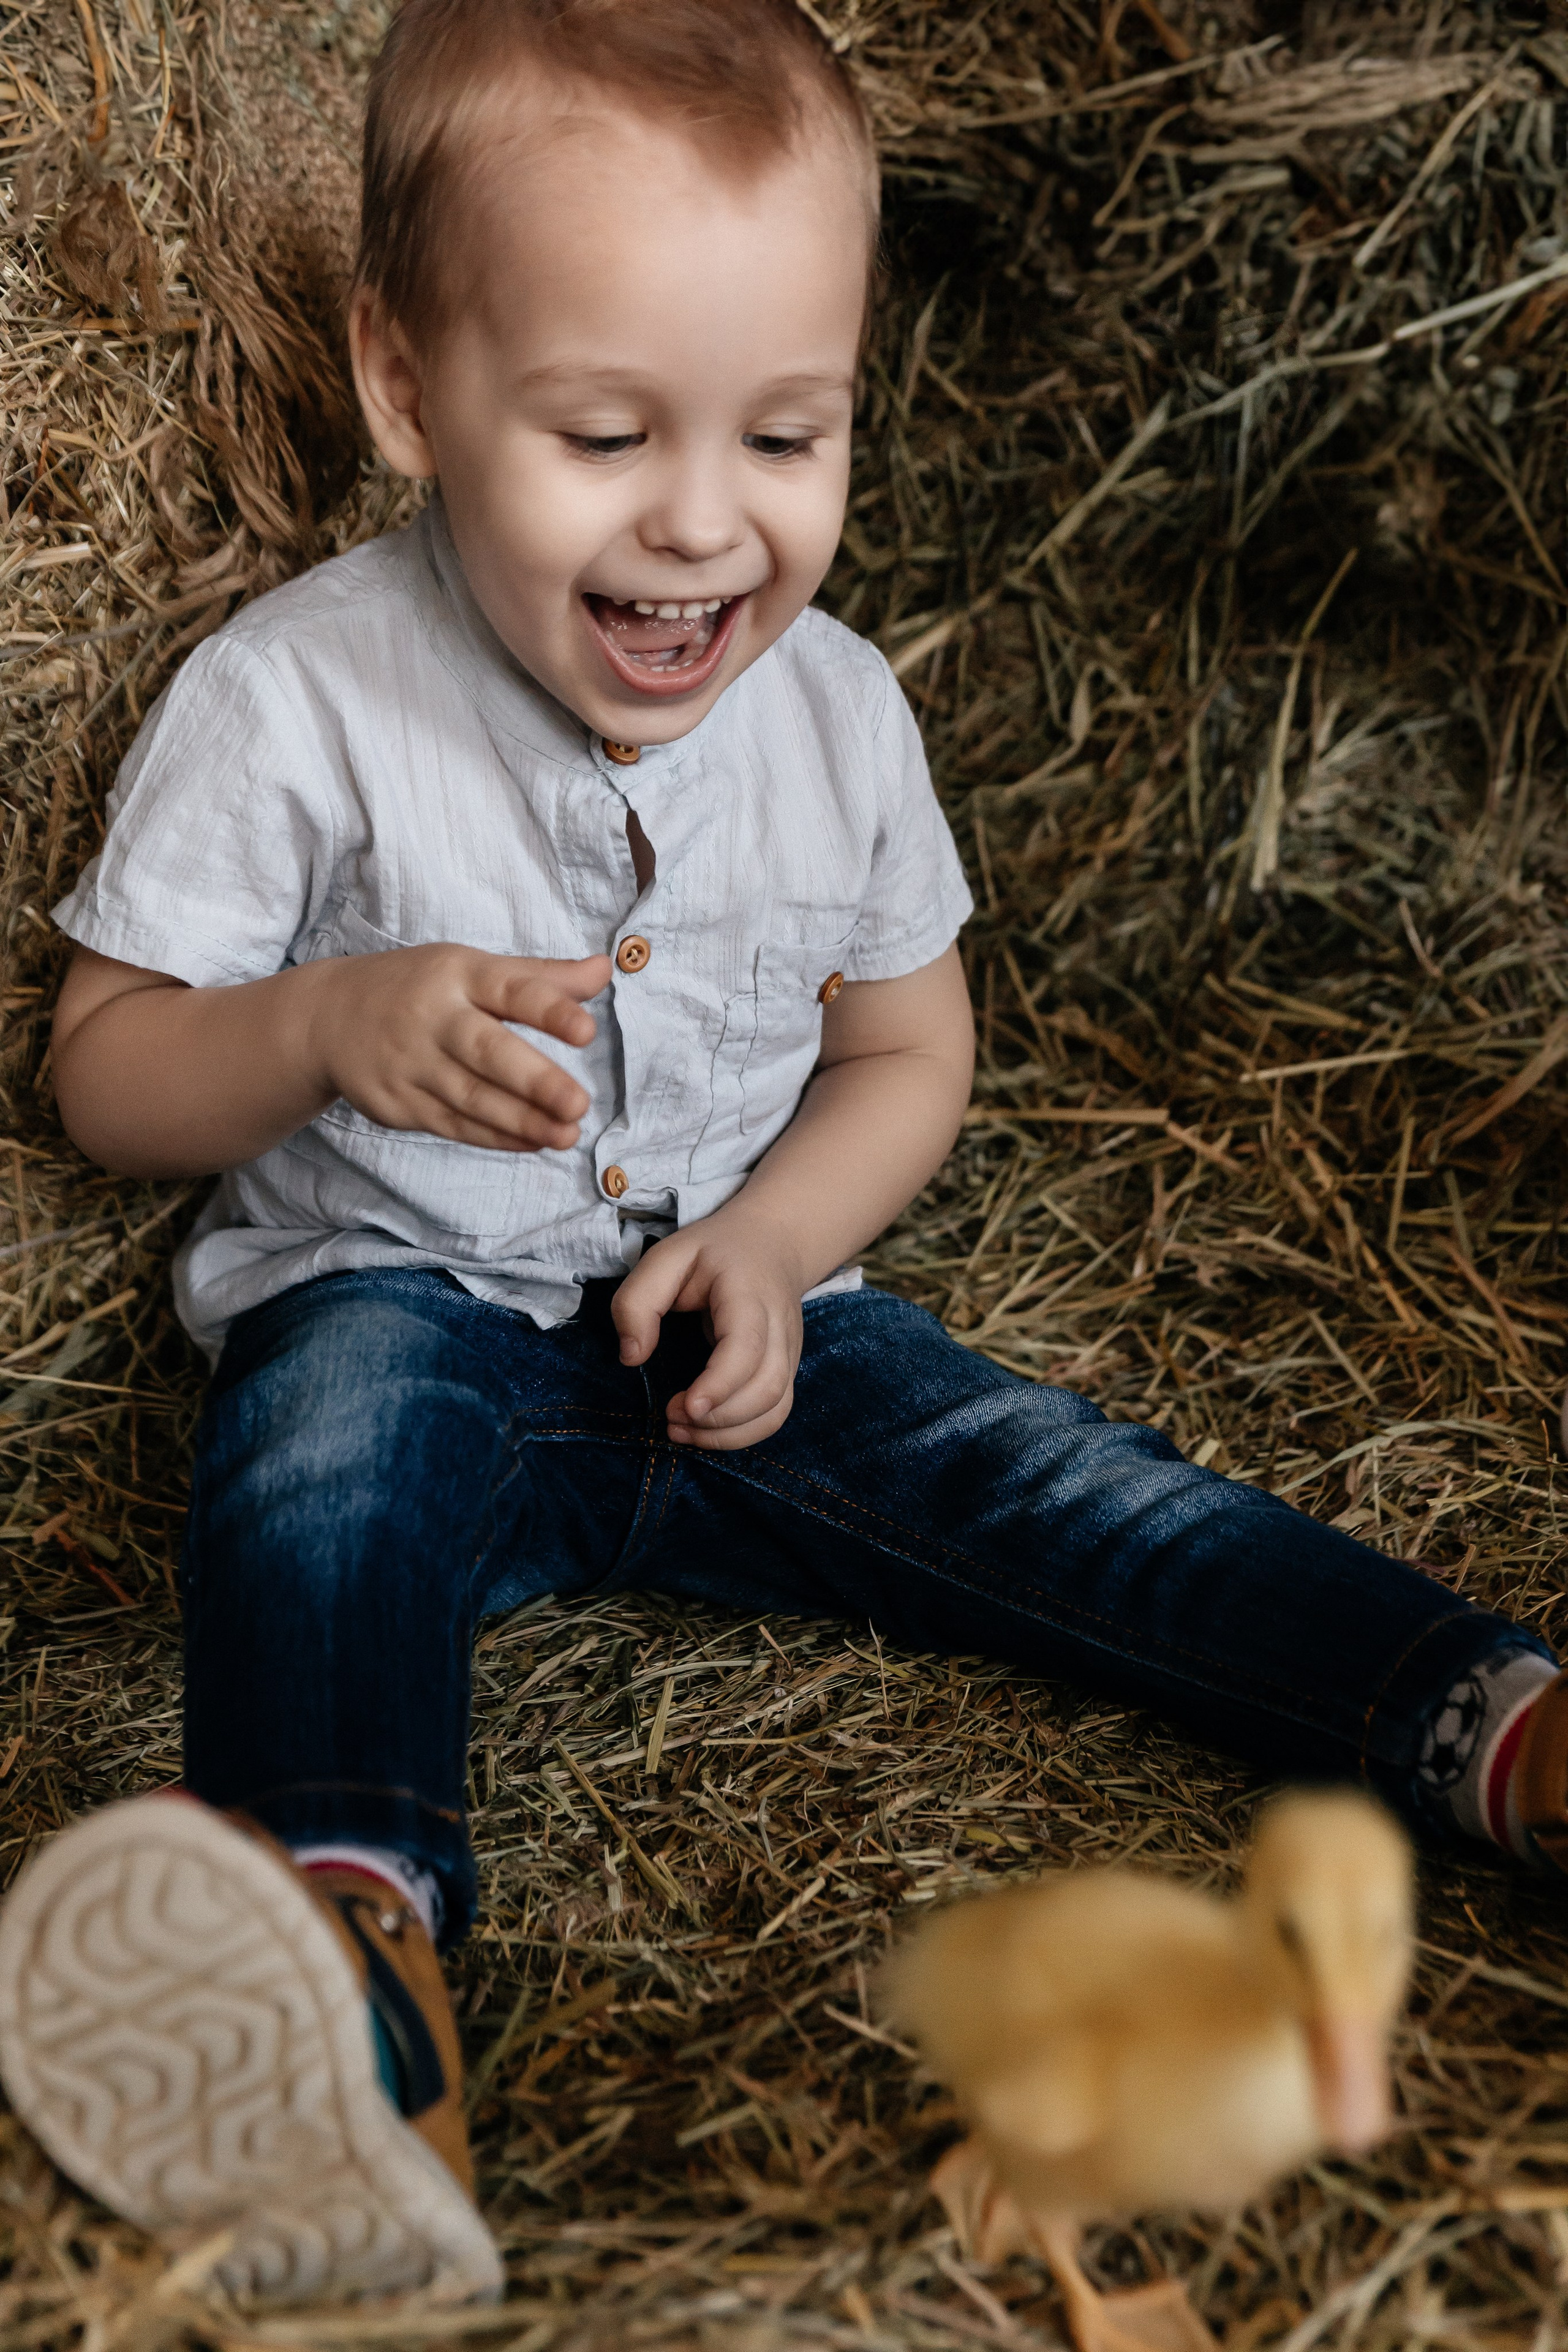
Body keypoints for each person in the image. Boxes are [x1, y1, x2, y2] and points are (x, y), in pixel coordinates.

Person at [1, 0, 1564, 2308]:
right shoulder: (296, 699)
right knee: (316, 1494)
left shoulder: (838, 717)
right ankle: (345, 1982)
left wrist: (772, 1245)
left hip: (755, 1327)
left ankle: (1491, 1723)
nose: (704, 518)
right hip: (402, 1311)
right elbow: (103, 1076)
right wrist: (327, 1026)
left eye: (790, 431)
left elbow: (908, 1057)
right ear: (408, 389)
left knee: (1063, 1486)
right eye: (607, 431)